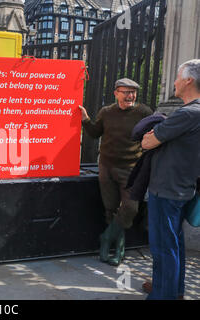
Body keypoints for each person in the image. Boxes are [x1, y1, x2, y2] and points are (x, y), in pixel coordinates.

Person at [141, 59, 200, 300]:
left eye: (177, 76)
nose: (174, 82)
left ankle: (162, 296)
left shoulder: (186, 114)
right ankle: (172, 290)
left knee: (164, 248)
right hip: (183, 188)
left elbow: (146, 142)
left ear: (188, 80)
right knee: (174, 244)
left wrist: (152, 135)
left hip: (167, 190)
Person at [79, 78, 153, 266]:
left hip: (131, 168)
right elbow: (95, 133)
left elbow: (154, 136)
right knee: (111, 208)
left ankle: (106, 238)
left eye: (133, 92)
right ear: (116, 93)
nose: (130, 96)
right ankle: (117, 250)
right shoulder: (106, 112)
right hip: (106, 166)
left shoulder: (144, 112)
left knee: (130, 207)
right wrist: (86, 120)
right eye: (126, 91)